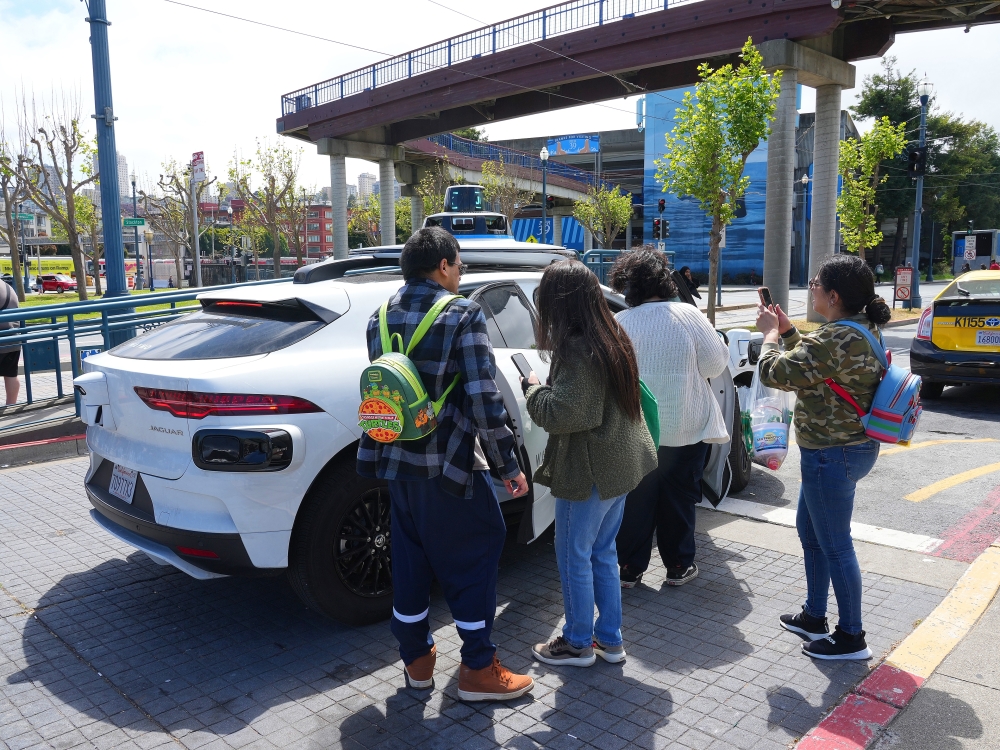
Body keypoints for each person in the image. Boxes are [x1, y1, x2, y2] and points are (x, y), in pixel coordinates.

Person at [357, 227, 534, 701]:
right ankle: (478, 667)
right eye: (459, 264)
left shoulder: (378, 317)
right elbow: (483, 398)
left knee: (411, 559)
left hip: (396, 462)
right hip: (450, 466)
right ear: (443, 265)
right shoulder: (462, 313)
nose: (461, 273)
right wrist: (508, 466)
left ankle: (417, 659)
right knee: (481, 544)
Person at [755, 254, 892, 660]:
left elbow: (774, 373)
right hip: (844, 449)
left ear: (832, 295)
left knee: (835, 545)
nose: (810, 287)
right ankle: (815, 615)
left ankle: (851, 636)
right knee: (811, 532)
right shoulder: (857, 329)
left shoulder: (834, 338)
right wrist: (790, 331)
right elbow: (818, 369)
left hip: (833, 454)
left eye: (814, 283)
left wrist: (769, 336)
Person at [524, 260, 657, 667]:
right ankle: (609, 639)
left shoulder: (578, 348)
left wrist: (534, 391)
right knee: (602, 552)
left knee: (573, 555)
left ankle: (578, 642)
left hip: (591, 471)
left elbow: (569, 413)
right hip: (620, 465)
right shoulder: (610, 333)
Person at [609, 248, 730, 588]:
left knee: (635, 501)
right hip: (685, 428)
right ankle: (678, 565)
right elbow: (714, 366)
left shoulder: (620, 323)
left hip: (636, 431)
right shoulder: (688, 316)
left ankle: (629, 569)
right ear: (665, 280)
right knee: (679, 499)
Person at [0, 280, 20, 405]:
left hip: (2, 339)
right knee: (11, 374)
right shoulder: (7, 286)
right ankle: (11, 406)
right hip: (13, 339)